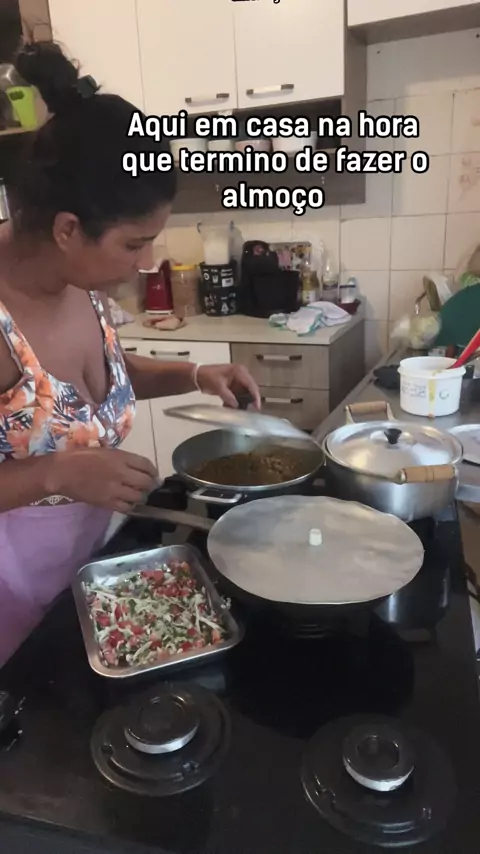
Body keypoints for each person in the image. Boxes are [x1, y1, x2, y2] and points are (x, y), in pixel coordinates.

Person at [0, 41, 260, 667]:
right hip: (12, 602)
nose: (146, 263)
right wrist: (56, 474)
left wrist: (194, 373)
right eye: (133, 244)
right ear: (68, 229)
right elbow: (56, 438)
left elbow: (98, 380)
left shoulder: (80, 280)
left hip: (85, 572)